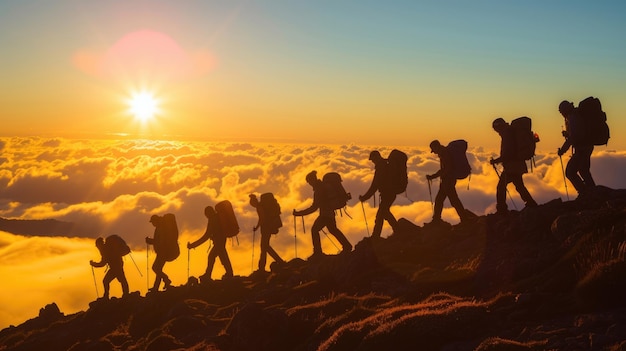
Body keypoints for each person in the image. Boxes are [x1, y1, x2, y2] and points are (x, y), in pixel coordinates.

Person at [293, 170, 352, 258]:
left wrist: (299, 213)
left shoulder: (319, 190)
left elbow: (314, 207)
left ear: (312, 180)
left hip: (325, 215)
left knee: (315, 230)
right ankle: (347, 246)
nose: (310, 184)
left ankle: (318, 253)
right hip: (330, 213)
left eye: (309, 182)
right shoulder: (322, 187)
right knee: (333, 230)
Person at [490, 118, 538, 214]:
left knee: (501, 187)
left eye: (496, 129)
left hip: (512, 166)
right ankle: (531, 204)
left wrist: (497, 160)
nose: (497, 132)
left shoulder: (507, 134)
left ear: (498, 127)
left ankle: (502, 209)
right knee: (519, 186)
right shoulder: (510, 131)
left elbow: (508, 152)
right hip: (517, 164)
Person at [425, 140, 470, 226]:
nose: (434, 152)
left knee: (451, 200)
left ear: (436, 147)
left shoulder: (444, 153)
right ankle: (437, 219)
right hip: (448, 180)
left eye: (433, 150)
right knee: (444, 199)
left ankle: (463, 219)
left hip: (448, 181)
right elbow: (446, 168)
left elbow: (446, 169)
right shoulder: (444, 152)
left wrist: (433, 176)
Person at [558, 100, 596, 196]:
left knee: (570, 172)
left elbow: (574, 137)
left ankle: (584, 193)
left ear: (565, 110)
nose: (561, 114)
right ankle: (592, 192)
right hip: (587, 146)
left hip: (582, 149)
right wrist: (567, 134)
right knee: (584, 171)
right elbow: (577, 133)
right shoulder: (576, 115)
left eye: (561, 111)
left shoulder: (573, 117)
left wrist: (562, 150)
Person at [187, 205, 234, 282]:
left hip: (219, 242)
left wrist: (193, 245)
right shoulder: (217, 218)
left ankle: (208, 275)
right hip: (221, 241)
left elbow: (206, 236)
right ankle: (229, 273)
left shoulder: (213, 220)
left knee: (213, 257)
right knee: (222, 257)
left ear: (208, 213)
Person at [359, 150, 398, 238]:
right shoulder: (385, 165)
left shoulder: (381, 167)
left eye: (372, 159)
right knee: (383, 213)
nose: (372, 162)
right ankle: (394, 230)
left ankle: (395, 230)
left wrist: (364, 197)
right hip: (390, 194)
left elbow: (374, 185)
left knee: (382, 214)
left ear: (376, 157)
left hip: (388, 194)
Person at [249, 194, 286, 272]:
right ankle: (277, 262)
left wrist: (257, 227)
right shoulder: (262, 206)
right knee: (265, 247)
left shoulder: (259, 207)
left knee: (264, 247)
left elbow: (262, 218)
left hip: (266, 228)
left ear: (253, 203)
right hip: (268, 227)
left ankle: (263, 267)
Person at [145, 215, 172, 292]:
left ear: (155, 221)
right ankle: (156, 287)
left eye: (153, 222)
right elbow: (159, 240)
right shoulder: (160, 227)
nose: (152, 224)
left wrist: (150, 241)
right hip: (163, 251)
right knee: (158, 269)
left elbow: (160, 241)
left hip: (163, 252)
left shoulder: (161, 228)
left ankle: (166, 279)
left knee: (155, 268)